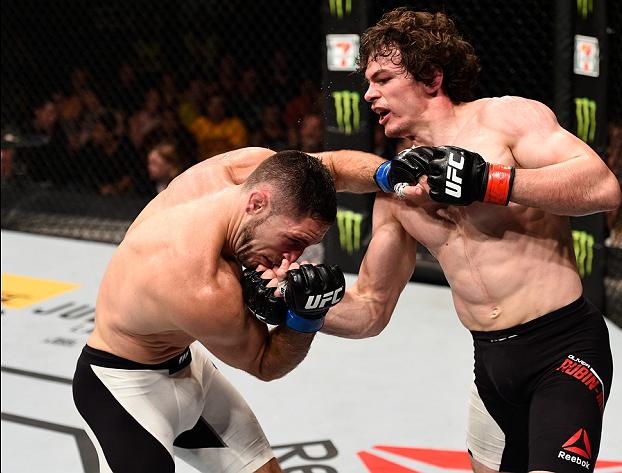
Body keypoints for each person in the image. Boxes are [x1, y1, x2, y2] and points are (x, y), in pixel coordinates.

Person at [321, 8, 622, 473]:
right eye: (368, 82)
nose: (368, 93)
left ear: (431, 77)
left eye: (382, 78)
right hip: (491, 368)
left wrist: (491, 183)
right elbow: (371, 309)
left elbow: (603, 188)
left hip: (564, 351)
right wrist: (300, 309)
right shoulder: (397, 192)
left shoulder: (506, 120)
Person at [72, 146, 387, 472]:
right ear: (256, 205)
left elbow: (332, 167)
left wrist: (392, 176)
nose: (289, 259)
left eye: (302, 247)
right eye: (291, 240)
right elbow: (266, 363)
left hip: (187, 365)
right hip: (124, 393)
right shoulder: (202, 286)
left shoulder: (247, 171)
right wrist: (305, 316)